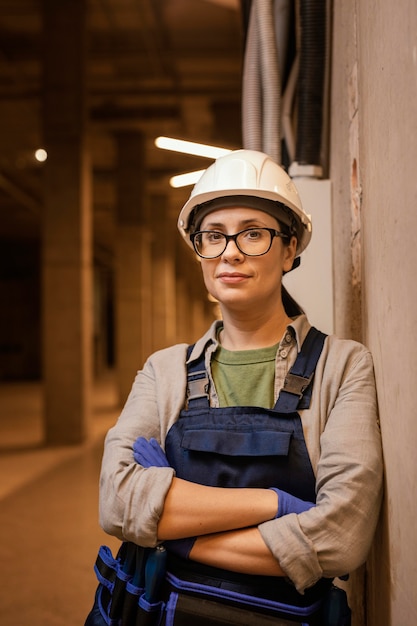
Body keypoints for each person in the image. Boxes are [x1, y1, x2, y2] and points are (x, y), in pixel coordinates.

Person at [86, 149, 383, 626]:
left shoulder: (342, 367)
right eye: (214, 236)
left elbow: (341, 538)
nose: (230, 251)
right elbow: (117, 503)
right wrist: (278, 505)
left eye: (253, 233)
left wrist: (172, 529)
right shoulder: (164, 372)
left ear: (289, 250)